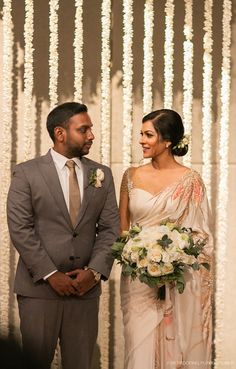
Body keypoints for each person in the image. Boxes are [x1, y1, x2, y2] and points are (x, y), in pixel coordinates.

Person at [7, 102, 120, 369]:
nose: (91, 135)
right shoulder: (27, 173)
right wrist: (51, 274)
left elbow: (110, 229)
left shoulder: (101, 174)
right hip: (39, 290)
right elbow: (20, 228)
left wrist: (93, 273)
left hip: (85, 291)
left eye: (90, 129)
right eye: (84, 129)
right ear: (60, 133)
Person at [119, 109, 213, 369]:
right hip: (137, 280)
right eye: (141, 134)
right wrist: (138, 255)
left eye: (149, 135)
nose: (142, 140)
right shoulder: (130, 176)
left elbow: (201, 235)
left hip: (178, 280)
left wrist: (173, 259)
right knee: (138, 351)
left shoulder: (190, 181)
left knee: (176, 349)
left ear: (168, 141)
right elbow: (123, 230)